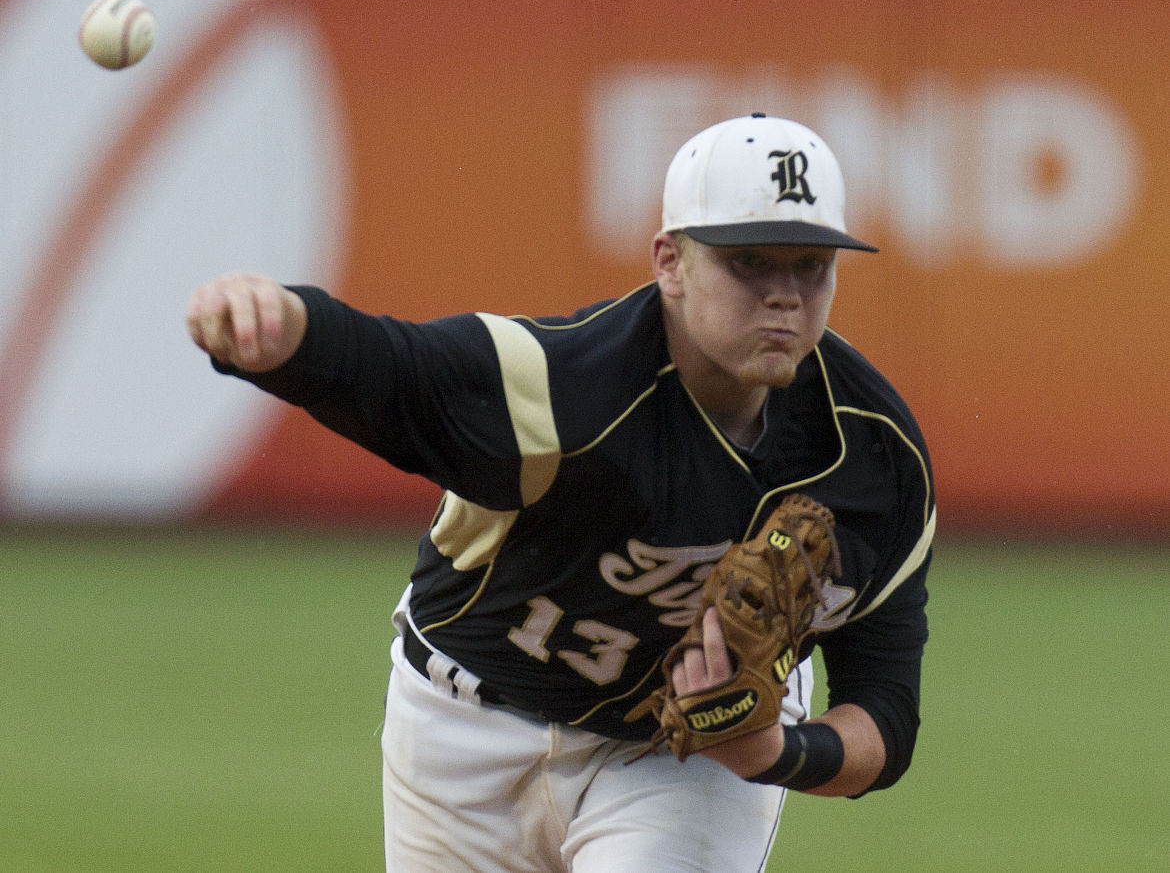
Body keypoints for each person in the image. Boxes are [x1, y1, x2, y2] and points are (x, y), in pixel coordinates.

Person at [186, 113, 935, 873]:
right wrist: (284, 328)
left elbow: (885, 711)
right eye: (749, 262)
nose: (785, 296)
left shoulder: (876, 459)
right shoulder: (565, 392)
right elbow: (397, 368)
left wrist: (774, 752)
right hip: (464, 734)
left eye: (811, 265)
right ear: (670, 263)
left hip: (679, 760)